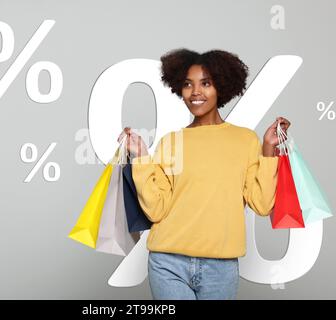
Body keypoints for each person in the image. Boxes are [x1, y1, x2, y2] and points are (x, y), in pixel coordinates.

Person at [117, 48, 290, 300]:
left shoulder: (245, 140)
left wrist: (267, 149)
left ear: (222, 86)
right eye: (188, 85)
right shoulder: (171, 142)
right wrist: (141, 156)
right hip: (167, 263)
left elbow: (262, 205)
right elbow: (155, 210)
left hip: (220, 267)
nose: (195, 92)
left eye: (205, 83)